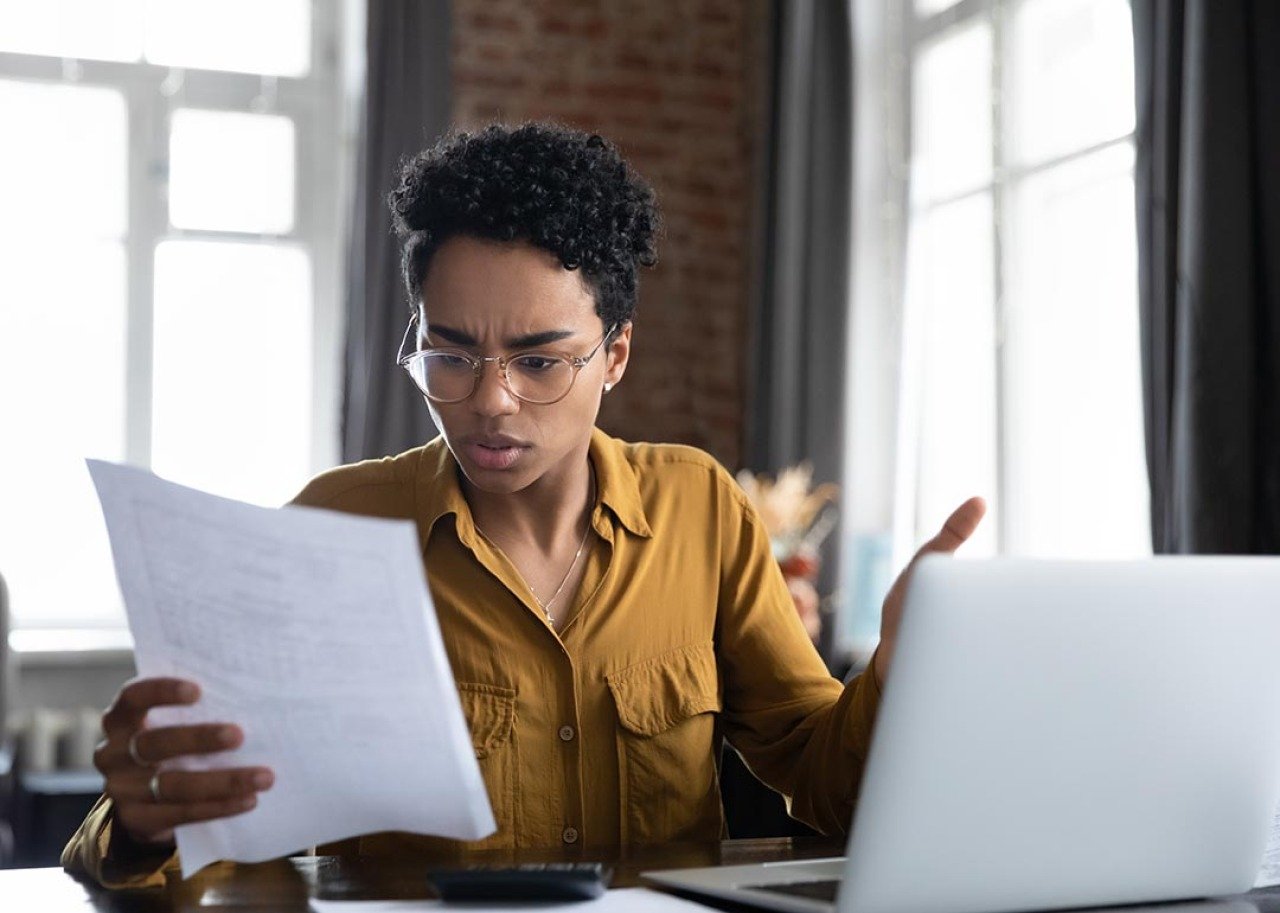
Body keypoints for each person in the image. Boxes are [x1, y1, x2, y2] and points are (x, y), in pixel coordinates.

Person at [63, 123, 985, 888]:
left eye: (541, 361)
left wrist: (907, 677)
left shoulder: (700, 508)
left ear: (615, 355)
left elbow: (824, 781)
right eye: (450, 354)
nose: (490, 400)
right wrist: (141, 825)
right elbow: (166, 842)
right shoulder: (336, 525)